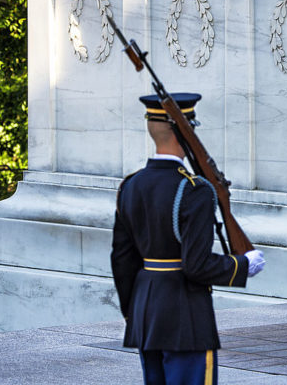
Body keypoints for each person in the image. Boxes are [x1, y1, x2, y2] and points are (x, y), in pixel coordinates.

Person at [111, 92, 265, 385]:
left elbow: (121, 259)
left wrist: (133, 313)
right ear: (186, 131)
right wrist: (241, 265)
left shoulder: (130, 185)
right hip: (186, 315)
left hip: (145, 314)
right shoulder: (194, 189)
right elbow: (196, 266)